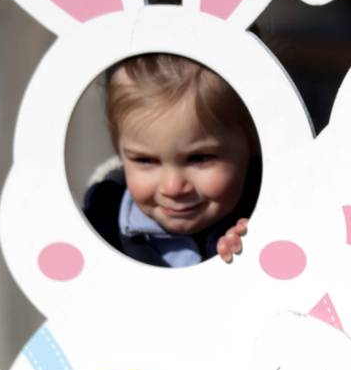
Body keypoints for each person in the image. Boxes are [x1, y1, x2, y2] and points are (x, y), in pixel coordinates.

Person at [83, 53, 261, 268]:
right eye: (146, 160)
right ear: (121, 154)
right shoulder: (100, 223)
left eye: (200, 158)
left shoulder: (272, 206)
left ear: (254, 142)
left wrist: (252, 256)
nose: (173, 187)